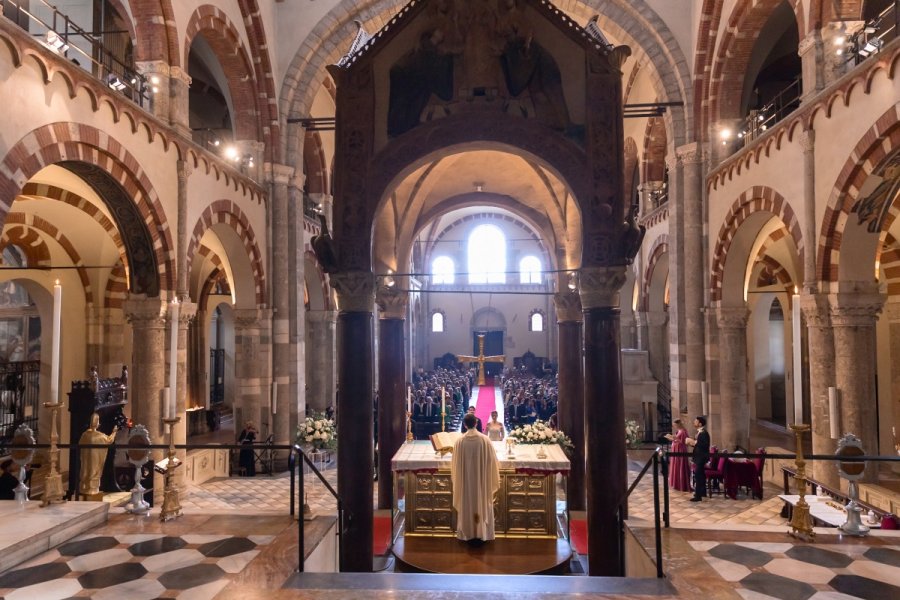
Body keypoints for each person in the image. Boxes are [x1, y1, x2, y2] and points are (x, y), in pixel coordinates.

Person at [451, 412, 500, 544]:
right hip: (482, 483)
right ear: (476, 423)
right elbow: (493, 462)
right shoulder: (485, 440)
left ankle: (468, 533)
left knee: (467, 503)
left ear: (464, 425)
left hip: (466, 484)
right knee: (481, 504)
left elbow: (455, 466)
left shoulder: (460, 442)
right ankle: (481, 533)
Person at [78, 412, 118, 499]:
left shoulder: (85, 435)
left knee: (86, 470)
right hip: (95, 459)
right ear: (97, 423)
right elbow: (109, 440)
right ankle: (92, 489)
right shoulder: (99, 436)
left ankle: (85, 488)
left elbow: (80, 444)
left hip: (86, 459)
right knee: (94, 471)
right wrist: (114, 432)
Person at [685, 416, 710, 501]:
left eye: (696, 421)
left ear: (700, 423)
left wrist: (694, 442)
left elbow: (705, 445)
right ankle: (702, 492)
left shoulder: (703, 433)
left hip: (701, 457)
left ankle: (698, 496)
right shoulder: (700, 432)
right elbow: (699, 444)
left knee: (698, 476)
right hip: (698, 456)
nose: (694, 422)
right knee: (701, 475)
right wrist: (692, 443)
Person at [664, 419, 691, 492]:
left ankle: (681, 484)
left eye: (675, 425)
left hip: (680, 450)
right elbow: (677, 440)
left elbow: (684, 441)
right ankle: (676, 484)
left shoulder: (683, 431)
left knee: (680, 466)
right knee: (676, 465)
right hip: (676, 449)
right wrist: (673, 438)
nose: (674, 426)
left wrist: (675, 438)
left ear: (678, 424)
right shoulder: (679, 431)